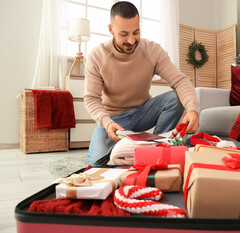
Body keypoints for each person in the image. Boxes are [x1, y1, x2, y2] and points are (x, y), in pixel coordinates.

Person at [84, 1, 199, 166]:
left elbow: (180, 80)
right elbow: (91, 98)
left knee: (176, 97)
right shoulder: (97, 56)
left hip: (143, 112)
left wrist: (193, 109)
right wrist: (107, 122)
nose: (131, 40)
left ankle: (157, 148)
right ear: (111, 30)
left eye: (136, 32)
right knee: (96, 162)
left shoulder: (152, 50)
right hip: (114, 119)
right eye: (124, 34)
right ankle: (128, 146)